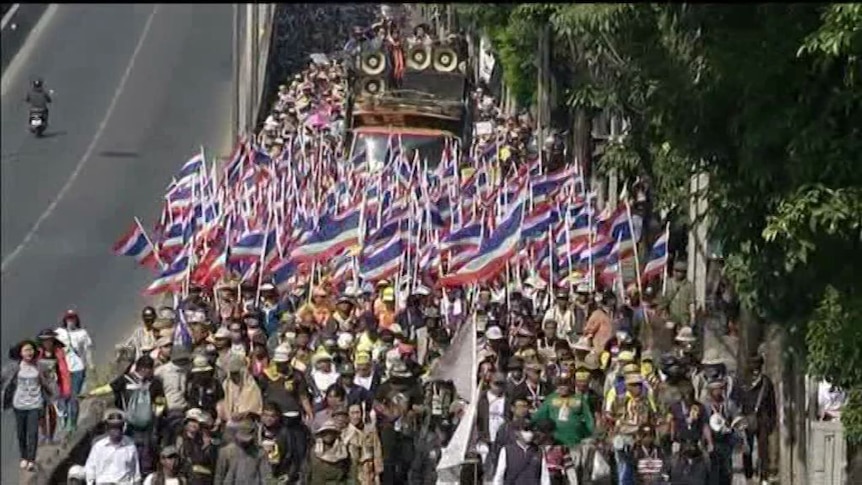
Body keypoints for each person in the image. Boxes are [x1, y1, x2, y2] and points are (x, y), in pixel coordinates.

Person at [1, 339, 56, 471]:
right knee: (21, 433)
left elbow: (51, 370)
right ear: (21, 353)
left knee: (32, 432)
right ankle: (24, 457)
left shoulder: (39, 366)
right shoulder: (14, 368)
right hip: (19, 404)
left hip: (35, 404)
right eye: (26, 350)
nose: (29, 352)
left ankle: (31, 459)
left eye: (31, 350)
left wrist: (51, 389)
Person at [55, 309, 94, 433]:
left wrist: (91, 365)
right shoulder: (58, 332)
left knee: (74, 397)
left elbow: (87, 350)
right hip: (63, 369)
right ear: (64, 320)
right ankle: (63, 419)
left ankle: (73, 424)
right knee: (63, 396)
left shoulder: (82, 333)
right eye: (68, 318)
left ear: (76, 319)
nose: (70, 320)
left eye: (72, 318)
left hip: (78, 368)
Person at [741, 354, 777, 485]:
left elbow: (772, 403)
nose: (755, 368)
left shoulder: (766, 382)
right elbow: (739, 401)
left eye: (758, 365)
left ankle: (764, 477)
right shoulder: (743, 382)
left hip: (763, 419)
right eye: (753, 365)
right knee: (747, 448)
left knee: (763, 450)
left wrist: (772, 421)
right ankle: (749, 476)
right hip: (746, 419)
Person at [85, 409, 141, 484]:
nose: (116, 430)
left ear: (123, 428)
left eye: (119, 427)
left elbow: (136, 471)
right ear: (108, 428)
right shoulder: (98, 447)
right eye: (113, 427)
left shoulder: (130, 446)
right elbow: (90, 468)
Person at [36, 328, 71, 443]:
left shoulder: (58, 352)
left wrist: (66, 389)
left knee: (52, 411)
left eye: (49, 340)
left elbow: (63, 371)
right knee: (40, 412)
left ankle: (51, 435)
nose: (47, 342)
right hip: (40, 385)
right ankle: (43, 434)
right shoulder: (37, 352)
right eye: (45, 340)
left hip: (53, 385)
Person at [213, 417, 273, 483]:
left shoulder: (260, 452)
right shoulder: (226, 452)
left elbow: (266, 476)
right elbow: (219, 476)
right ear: (235, 434)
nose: (245, 442)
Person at [491, 421, 552, 485]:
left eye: (531, 430)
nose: (529, 433)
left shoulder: (538, 451)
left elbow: (545, 477)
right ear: (517, 432)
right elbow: (499, 475)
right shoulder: (507, 450)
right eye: (525, 430)